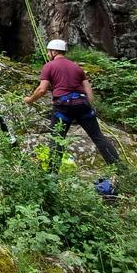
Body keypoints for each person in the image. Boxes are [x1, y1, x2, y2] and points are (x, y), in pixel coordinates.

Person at [24, 39, 120, 173]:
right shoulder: (77, 67)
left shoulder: (49, 66)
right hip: (83, 104)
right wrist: (87, 107)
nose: (47, 53)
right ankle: (120, 169)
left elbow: (42, 90)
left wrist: (30, 100)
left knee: (57, 139)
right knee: (98, 136)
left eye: (48, 51)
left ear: (54, 51)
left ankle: (52, 175)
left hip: (63, 107)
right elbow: (89, 93)